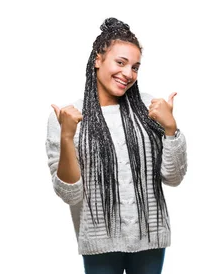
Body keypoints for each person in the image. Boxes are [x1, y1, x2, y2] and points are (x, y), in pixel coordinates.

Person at [45, 17, 187, 274]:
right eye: (120, 63)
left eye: (135, 67)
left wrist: (171, 128)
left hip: (151, 240)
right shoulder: (68, 116)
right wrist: (67, 136)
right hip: (99, 243)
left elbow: (173, 177)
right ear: (98, 59)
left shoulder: (150, 109)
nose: (128, 73)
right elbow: (70, 195)